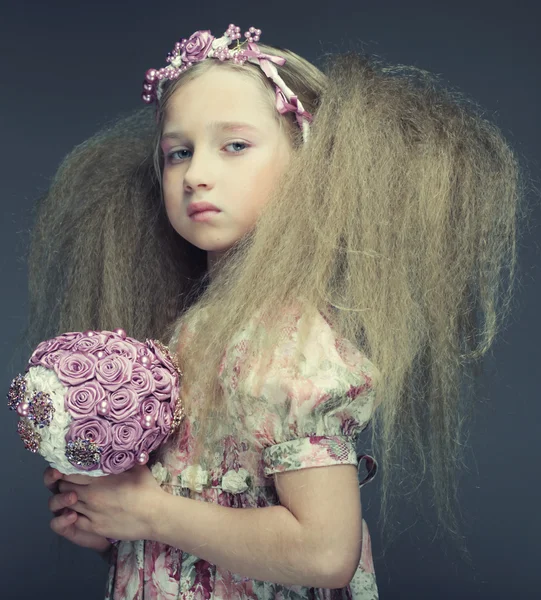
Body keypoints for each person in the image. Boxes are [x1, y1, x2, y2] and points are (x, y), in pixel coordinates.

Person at [29, 21, 527, 600]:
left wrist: (150, 515)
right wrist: (113, 527)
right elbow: (209, 512)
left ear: (307, 168)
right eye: (177, 153)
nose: (196, 175)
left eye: (234, 145)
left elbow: (323, 552)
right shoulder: (192, 327)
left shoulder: (292, 343)